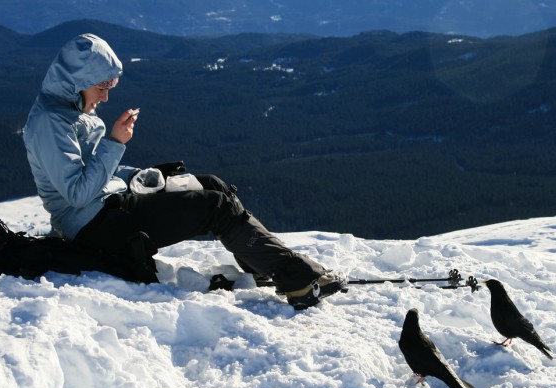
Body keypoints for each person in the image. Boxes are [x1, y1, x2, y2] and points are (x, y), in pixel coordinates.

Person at [22, 33, 347, 309]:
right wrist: (115, 142)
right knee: (213, 206)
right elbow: (77, 193)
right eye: (100, 88)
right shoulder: (50, 124)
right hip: (93, 227)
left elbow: (92, 172)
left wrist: (138, 175)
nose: (106, 97)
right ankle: (300, 282)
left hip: (107, 207)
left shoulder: (70, 112)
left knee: (211, 185)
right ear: (77, 82)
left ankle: (264, 266)